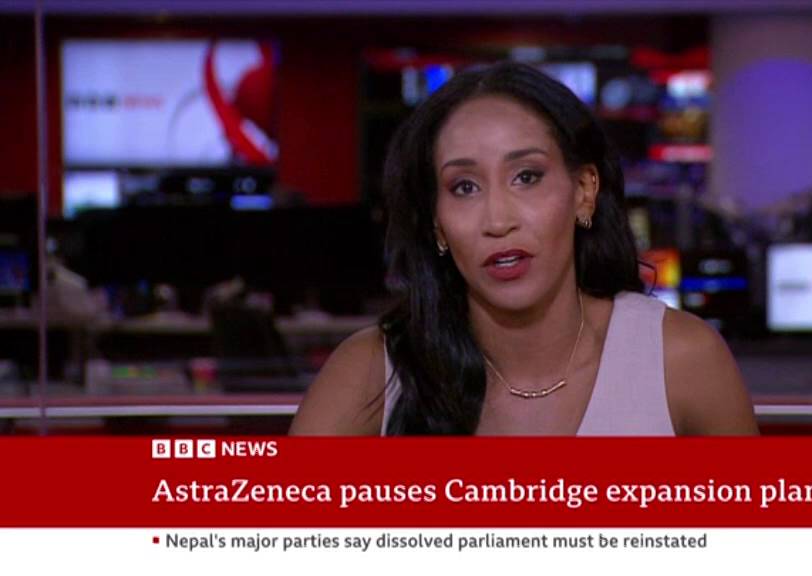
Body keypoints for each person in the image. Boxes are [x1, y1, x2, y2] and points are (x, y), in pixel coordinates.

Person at [290, 62, 757, 436]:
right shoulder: (371, 371)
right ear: (437, 223)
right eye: (465, 187)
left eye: (527, 177)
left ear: (584, 190)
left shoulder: (681, 359)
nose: (498, 221)